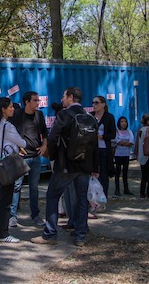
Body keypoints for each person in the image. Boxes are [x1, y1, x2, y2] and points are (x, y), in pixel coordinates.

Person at [31, 87, 99, 248]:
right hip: (85, 165)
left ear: (70, 97)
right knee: (82, 199)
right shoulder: (90, 118)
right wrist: (95, 167)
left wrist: (52, 157)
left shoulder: (64, 115)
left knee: (52, 196)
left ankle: (50, 234)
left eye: (64, 96)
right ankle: (80, 236)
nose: (62, 99)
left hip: (66, 165)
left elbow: (53, 137)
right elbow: (94, 145)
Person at [0, 97, 26, 243]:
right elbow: (22, 142)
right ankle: (2, 233)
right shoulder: (7, 126)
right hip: (6, 166)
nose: (13, 109)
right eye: (10, 107)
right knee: (5, 200)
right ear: (3, 109)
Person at [8, 91, 48, 228]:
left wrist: (44, 146)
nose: (38, 103)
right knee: (16, 187)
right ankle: (12, 216)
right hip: (21, 157)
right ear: (27, 102)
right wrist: (16, 148)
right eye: (35, 100)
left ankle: (35, 215)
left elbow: (44, 132)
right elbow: (9, 132)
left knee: (34, 187)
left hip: (35, 157)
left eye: (38, 100)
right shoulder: (17, 115)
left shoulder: (39, 115)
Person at [91, 95, 116, 198]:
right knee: (93, 173)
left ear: (103, 104)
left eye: (96, 103)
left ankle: (103, 197)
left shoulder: (109, 117)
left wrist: (102, 136)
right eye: (93, 103)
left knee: (104, 174)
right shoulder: (90, 116)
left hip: (104, 149)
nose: (94, 105)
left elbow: (113, 134)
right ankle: (93, 197)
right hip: (93, 149)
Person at [113, 116, 134, 196]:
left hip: (126, 154)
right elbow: (116, 140)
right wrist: (125, 143)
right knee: (117, 172)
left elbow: (131, 142)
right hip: (118, 154)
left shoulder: (129, 131)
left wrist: (122, 143)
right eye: (122, 121)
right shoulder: (117, 131)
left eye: (125, 121)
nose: (124, 123)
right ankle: (117, 189)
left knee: (125, 172)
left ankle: (126, 188)